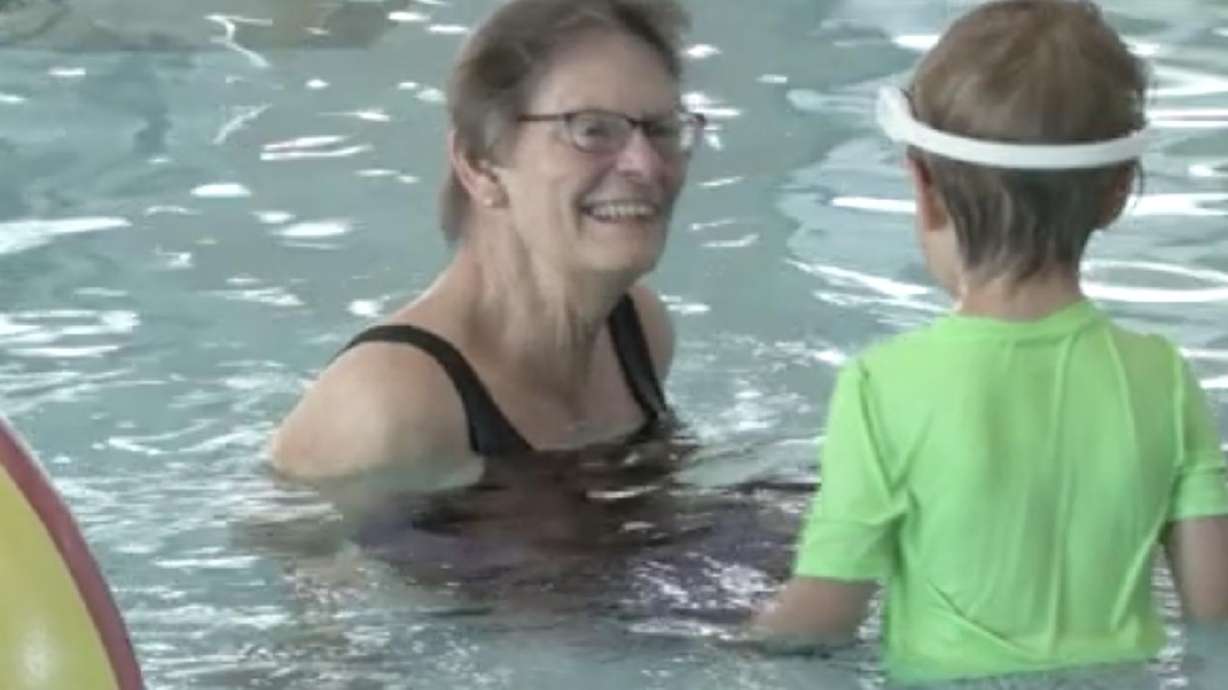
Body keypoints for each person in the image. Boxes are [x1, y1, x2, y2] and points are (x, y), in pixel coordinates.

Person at [751, 0, 1228, 685]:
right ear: (1118, 192)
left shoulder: (883, 386)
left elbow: (825, 613)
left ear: (925, 189)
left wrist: (731, 648)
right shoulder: (1163, 376)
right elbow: (1214, 612)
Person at [270, 0, 704, 517]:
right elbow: (297, 577)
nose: (644, 164)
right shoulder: (390, 405)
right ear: (481, 166)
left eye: (660, 129)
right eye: (591, 130)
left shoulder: (636, 331)